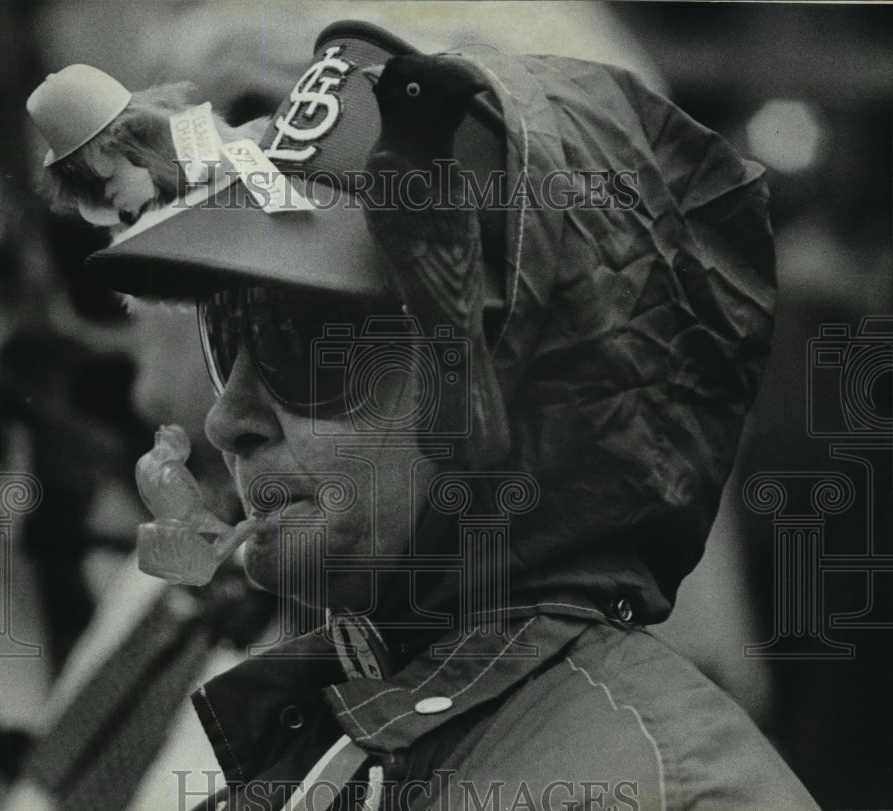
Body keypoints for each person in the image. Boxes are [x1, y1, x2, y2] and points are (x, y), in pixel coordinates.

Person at [84, 19, 819, 811]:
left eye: (302, 340)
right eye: (227, 333)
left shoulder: (659, 794)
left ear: (513, 371)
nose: (230, 417)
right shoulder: (348, 731)